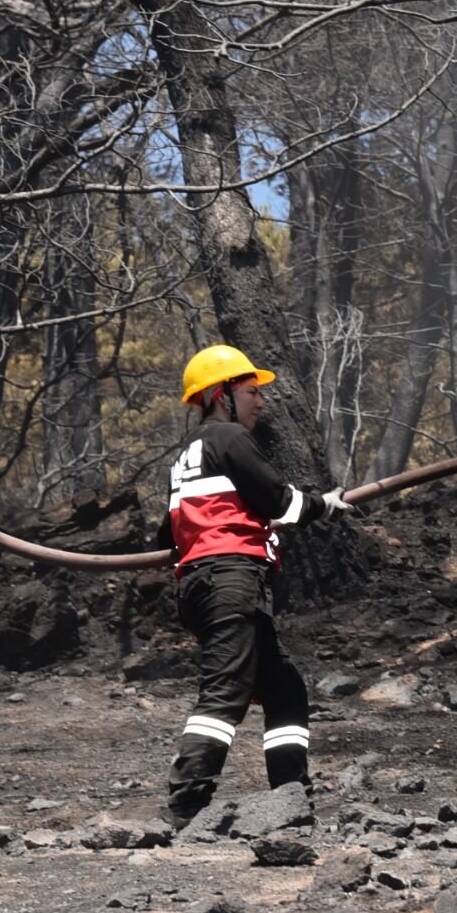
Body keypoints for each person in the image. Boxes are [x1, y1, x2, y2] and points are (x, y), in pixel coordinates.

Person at [161, 345, 347, 827]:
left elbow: (170, 533)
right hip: (230, 579)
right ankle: (188, 805)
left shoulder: (186, 454)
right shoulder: (229, 438)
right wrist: (325, 505)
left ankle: (290, 797)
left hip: (206, 585)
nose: (261, 403)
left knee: (284, 691)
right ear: (221, 395)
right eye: (250, 392)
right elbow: (279, 501)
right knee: (225, 692)